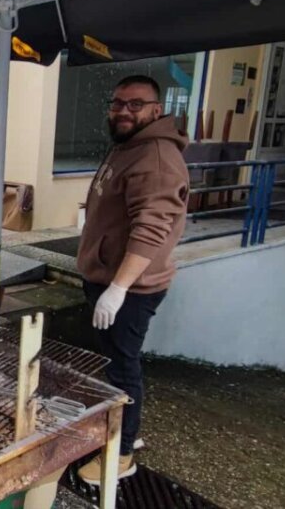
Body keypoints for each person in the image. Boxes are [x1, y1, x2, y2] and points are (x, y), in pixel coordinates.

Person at [75, 75, 188, 485]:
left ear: (156, 110)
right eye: (118, 103)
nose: (124, 111)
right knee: (114, 364)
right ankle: (122, 430)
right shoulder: (129, 145)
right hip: (108, 279)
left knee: (122, 370)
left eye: (135, 104)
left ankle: (121, 455)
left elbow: (151, 230)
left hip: (130, 290)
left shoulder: (155, 158)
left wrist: (118, 289)